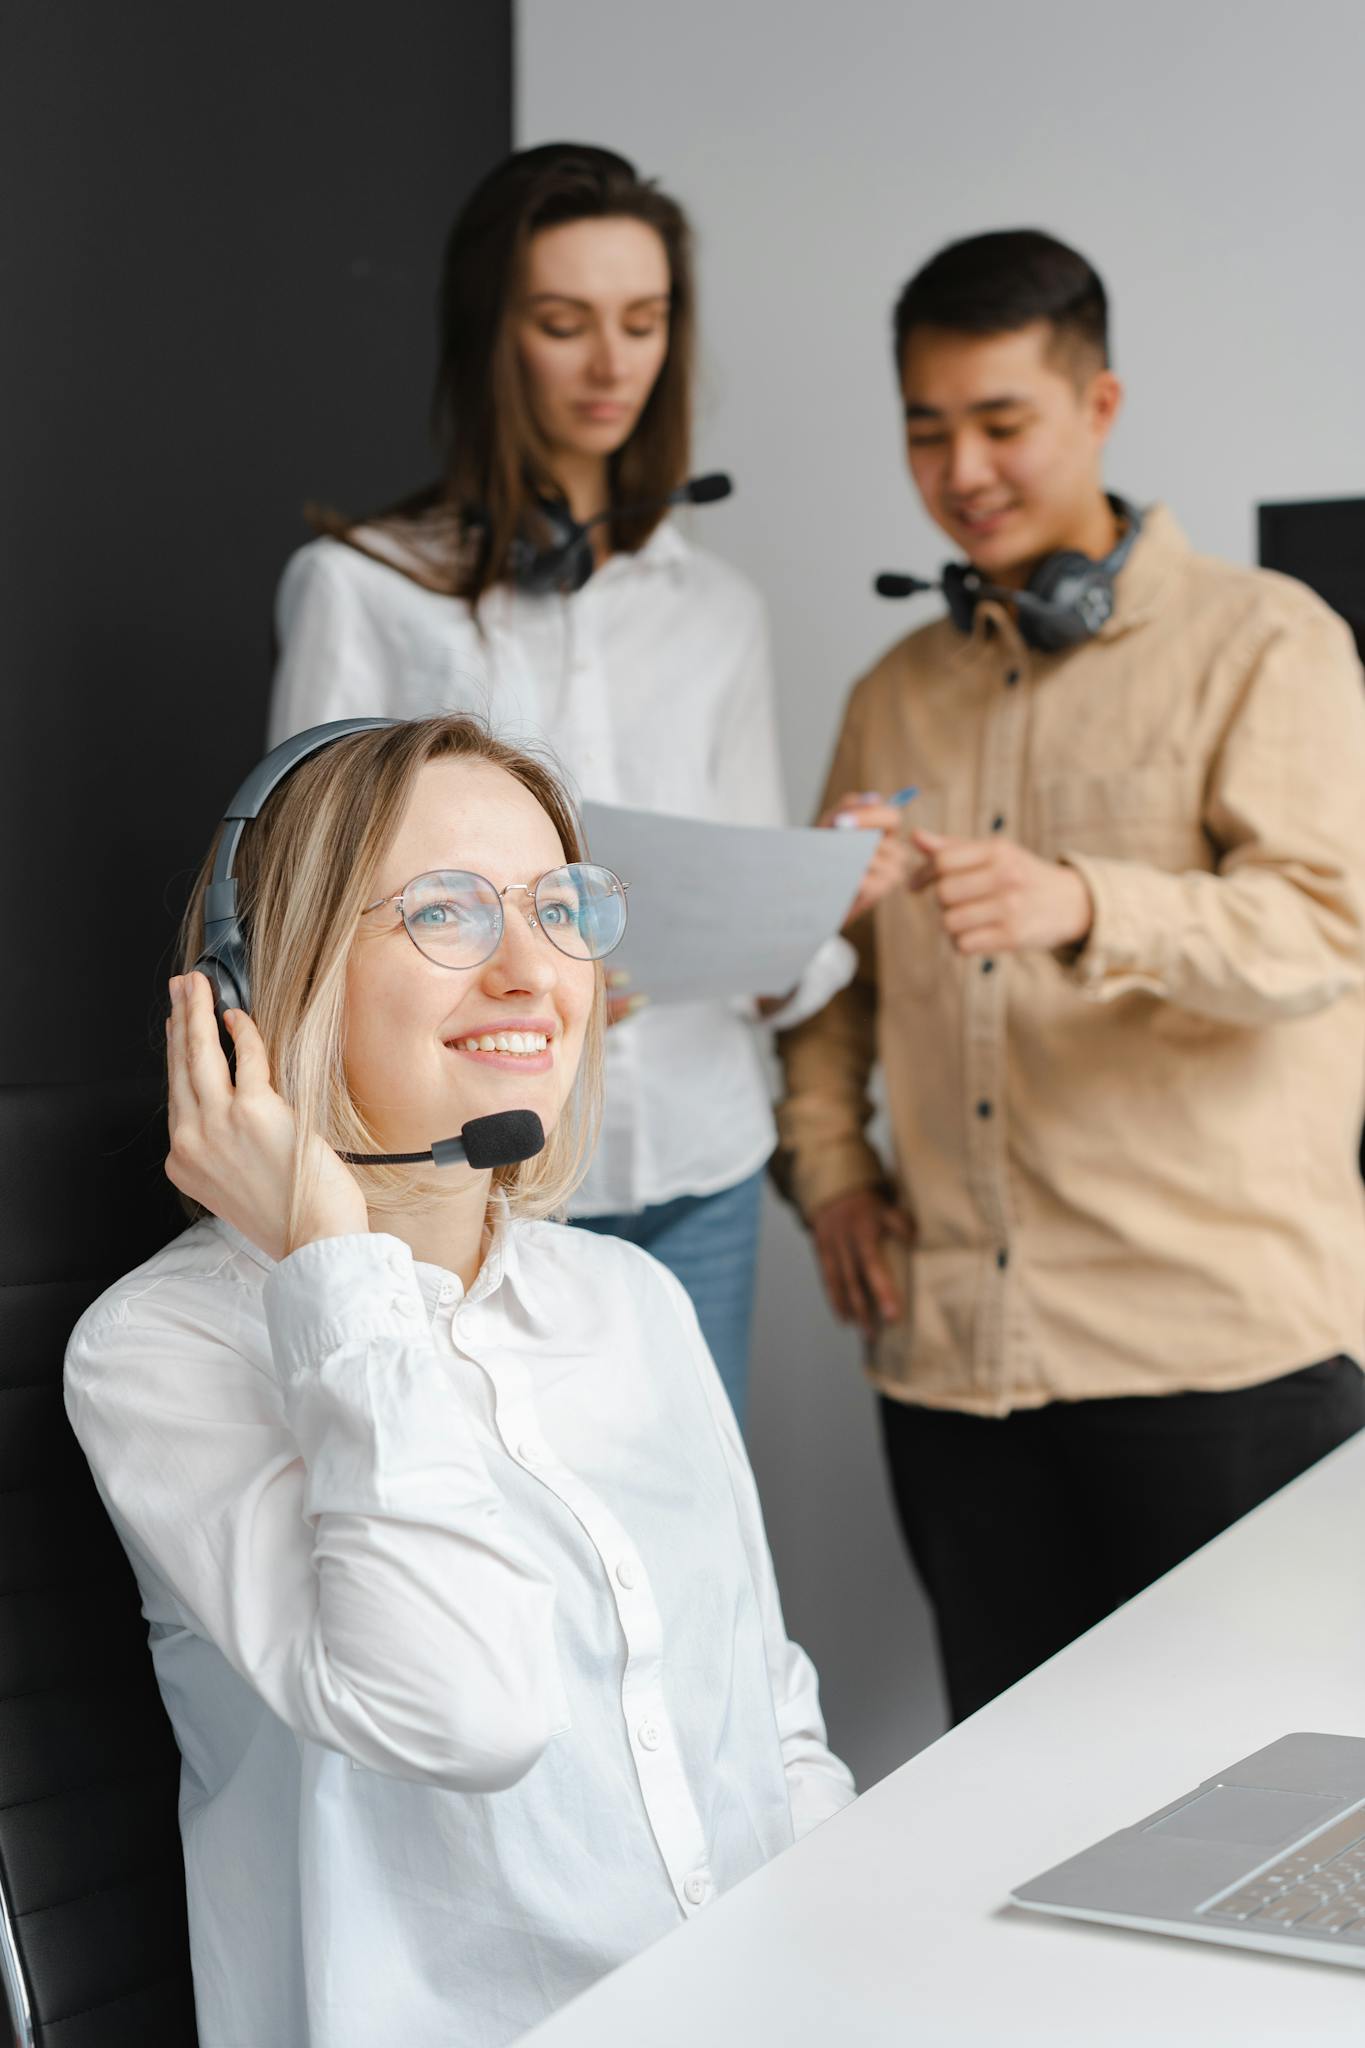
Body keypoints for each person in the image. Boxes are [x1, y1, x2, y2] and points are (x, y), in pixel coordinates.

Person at [64, 715, 855, 2048]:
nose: (530, 972)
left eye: (560, 911)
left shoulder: (625, 1303)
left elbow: (770, 1724)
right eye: (446, 911)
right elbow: (463, 1710)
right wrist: (334, 1262)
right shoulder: (162, 1350)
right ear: (261, 984)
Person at [776, 228, 1365, 1725]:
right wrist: (834, 1168)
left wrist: (1084, 900)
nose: (959, 468)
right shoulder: (889, 692)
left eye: (999, 422)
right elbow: (825, 975)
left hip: (1216, 1354)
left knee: (1243, 1807)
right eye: (926, 428)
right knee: (1003, 1809)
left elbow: (1324, 936)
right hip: (954, 1365)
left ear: (1098, 408)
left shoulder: (1267, 641)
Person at [266, 143, 892, 1428]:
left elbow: (773, 950)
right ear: (494, 337)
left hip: (703, 1157)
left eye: (644, 323)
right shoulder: (365, 586)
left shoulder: (718, 607)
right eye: (565, 324)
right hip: (466, 1168)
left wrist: (809, 906)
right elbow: (310, 928)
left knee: (680, 1532)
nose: (613, 365)